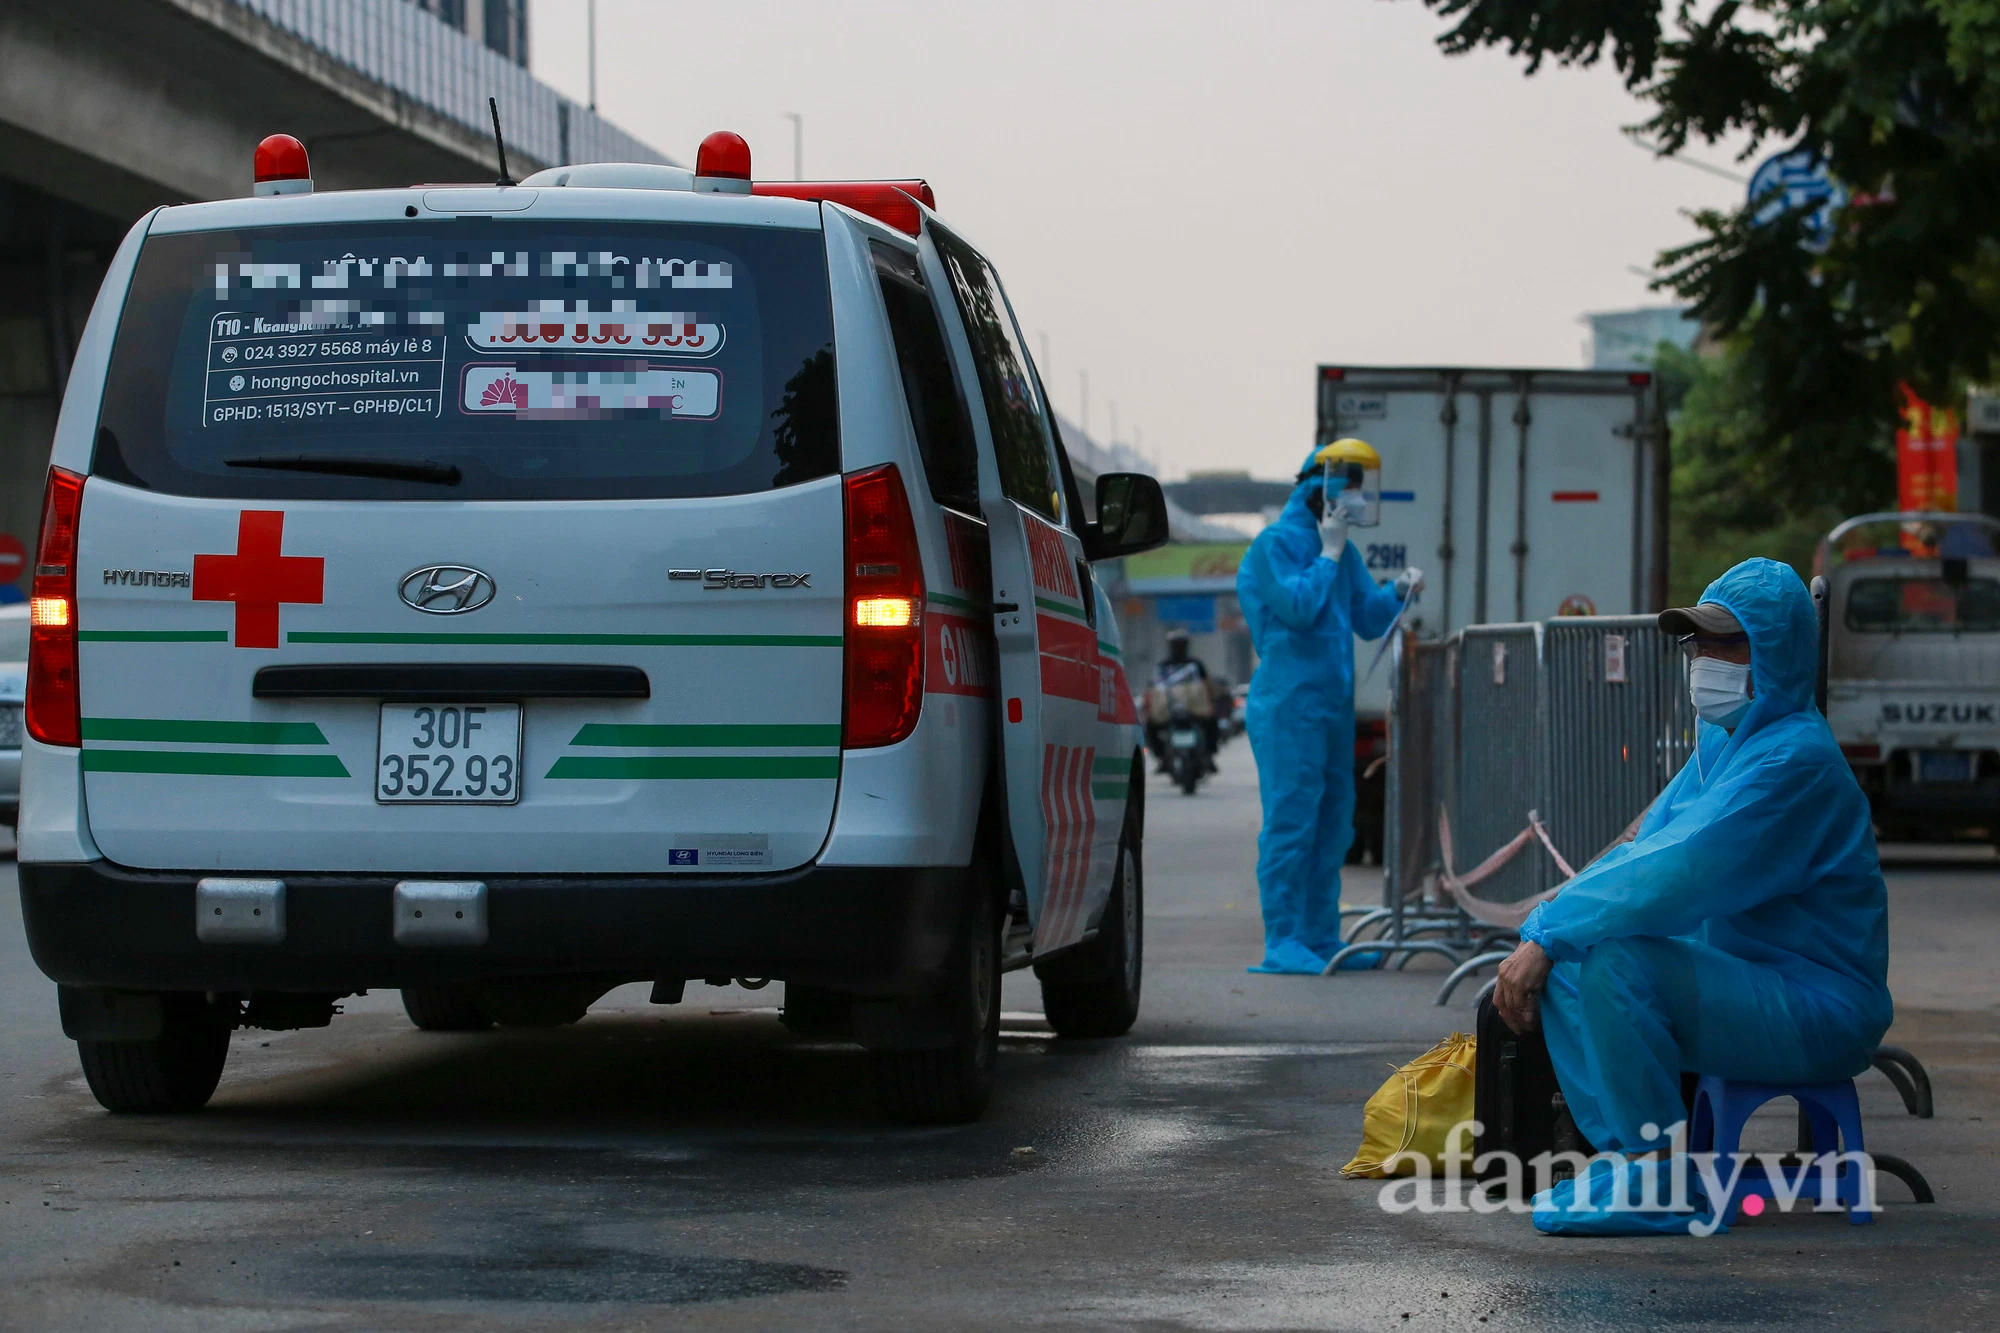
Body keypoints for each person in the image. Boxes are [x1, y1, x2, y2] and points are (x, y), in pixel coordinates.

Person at [1491, 558, 1893, 1230]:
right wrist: (1546, 931)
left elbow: (1681, 868)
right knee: (1573, 957)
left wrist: (1549, 927)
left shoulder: (1795, 761)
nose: (1704, 659)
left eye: (1725, 641)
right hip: (1753, 983)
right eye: (1696, 643)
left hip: (1819, 1005)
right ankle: (1629, 1159)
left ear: (1776, 651)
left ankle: (1663, 1175)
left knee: (1616, 958)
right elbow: (1645, 845)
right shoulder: (1726, 740)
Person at [1235, 440, 1421, 974]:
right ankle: (1283, 940)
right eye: (1354, 487)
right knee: (1293, 820)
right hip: (1289, 707)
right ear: (1324, 487)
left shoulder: (1343, 554)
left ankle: (1319, 936)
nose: (1360, 499)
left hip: (1331, 709)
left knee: (1332, 822)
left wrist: (1399, 592)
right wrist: (1329, 555)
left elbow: (1367, 618)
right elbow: (1296, 607)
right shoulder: (1274, 546)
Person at [1147, 629, 1218, 774]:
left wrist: (1210, 702)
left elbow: (1206, 686)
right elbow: (1153, 690)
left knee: (1212, 723)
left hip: (1195, 710)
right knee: (1150, 726)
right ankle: (1162, 758)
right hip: (1169, 711)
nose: (1178, 648)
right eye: (1176, 644)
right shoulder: (1163, 666)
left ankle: (1209, 755)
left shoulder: (1196, 665)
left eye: (1180, 644)